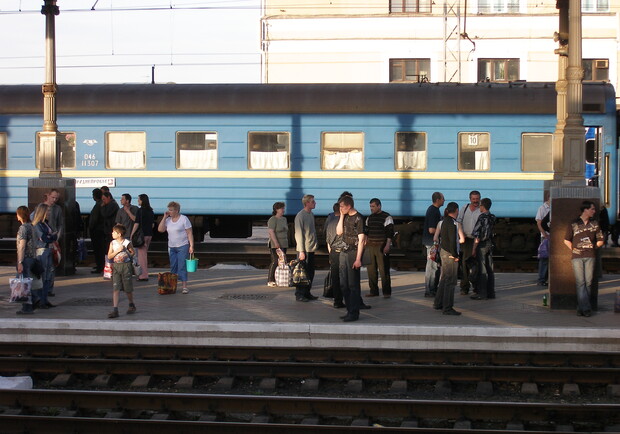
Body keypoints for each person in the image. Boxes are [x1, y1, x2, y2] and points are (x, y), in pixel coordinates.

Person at [563, 200, 604, 317]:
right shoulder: (574, 223)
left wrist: (593, 247)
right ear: (585, 210)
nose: (594, 211)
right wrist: (574, 249)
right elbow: (566, 240)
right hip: (577, 257)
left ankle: (581, 308)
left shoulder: (595, 223)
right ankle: (586, 309)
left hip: (590, 256)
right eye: (592, 209)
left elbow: (601, 240)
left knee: (588, 282)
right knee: (580, 282)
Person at [337, 195, 366, 322]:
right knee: (344, 284)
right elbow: (339, 232)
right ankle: (349, 310)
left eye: (342, 207)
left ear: (349, 206)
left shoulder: (359, 218)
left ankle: (354, 313)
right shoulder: (345, 216)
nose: (340, 209)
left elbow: (361, 240)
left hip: (353, 253)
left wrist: (358, 259)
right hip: (343, 252)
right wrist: (342, 216)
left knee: (353, 285)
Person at [158, 201, 194, 294]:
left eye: (171, 210)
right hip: (171, 247)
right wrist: (164, 217)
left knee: (182, 266)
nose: (169, 212)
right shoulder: (168, 220)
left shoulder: (184, 219)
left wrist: (191, 246)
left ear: (177, 210)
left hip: (183, 246)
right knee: (173, 266)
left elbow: (189, 233)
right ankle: (172, 286)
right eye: (168, 210)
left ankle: (184, 286)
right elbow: (160, 230)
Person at [433, 202, 462, 315]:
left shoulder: (444, 221)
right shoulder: (452, 223)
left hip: (444, 252)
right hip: (450, 254)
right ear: (456, 210)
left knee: (444, 279)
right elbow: (452, 240)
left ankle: (438, 303)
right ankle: (448, 308)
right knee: (450, 281)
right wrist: (455, 255)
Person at [365, 198, 394, 298]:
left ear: (379, 206)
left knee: (384, 270)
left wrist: (387, 245)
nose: (371, 208)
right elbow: (366, 232)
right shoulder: (369, 218)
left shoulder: (387, 217)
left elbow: (390, 232)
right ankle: (373, 291)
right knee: (371, 270)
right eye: (370, 206)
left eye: (373, 206)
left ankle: (386, 292)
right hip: (370, 246)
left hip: (381, 246)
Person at [107, 224, 137, 318]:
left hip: (126, 266)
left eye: (114, 232)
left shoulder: (127, 242)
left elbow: (133, 252)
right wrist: (118, 251)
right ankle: (115, 309)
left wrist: (126, 253)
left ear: (119, 234)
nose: (112, 233)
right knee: (116, 288)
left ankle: (131, 304)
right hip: (116, 266)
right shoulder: (112, 243)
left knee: (127, 288)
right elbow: (109, 256)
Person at [15, 206, 41, 315]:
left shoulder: (23, 228)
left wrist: (20, 262)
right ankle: (35, 298)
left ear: (20, 215)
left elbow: (22, 246)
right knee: (27, 282)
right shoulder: (32, 226)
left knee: (23, 284)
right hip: (32, 258)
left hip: (25, 259)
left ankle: (28, 307)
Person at [32, 203, 57, 310]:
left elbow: (53, 236)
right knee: (43, 276)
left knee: (48, 276)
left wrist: (51, 236)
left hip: (47, 250)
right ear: (43, 212)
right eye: (48, 211)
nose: (50, 213)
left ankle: (44, 299)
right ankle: (40, 300)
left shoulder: (45, 224)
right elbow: (45, 238)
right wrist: (51, 236)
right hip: (41, 251)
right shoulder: (37, 225)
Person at [470, 198, 496, 300]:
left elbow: (477, 235)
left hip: (482, 245)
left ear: (483, 206)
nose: (479, 207)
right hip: (490, 244)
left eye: (480, 205)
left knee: (482, 269)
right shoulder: (493, 217)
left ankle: (482, 293)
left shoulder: (481, 218)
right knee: (490, 269)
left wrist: (473, 249)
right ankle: (491, 293)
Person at [294, 194, 319, 301]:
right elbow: (298, 234)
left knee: (310, 272)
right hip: (304, 249)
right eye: (313, 201)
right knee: (302, 273)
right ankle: (300, 294)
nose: (315, 203)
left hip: (311, 248)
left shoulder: (311, 214)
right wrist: (301, 251)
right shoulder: (301, 216)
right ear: (307, 203)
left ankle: (307, 292)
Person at [457, 190, 481, 295]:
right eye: (474, 199)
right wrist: (461, 235)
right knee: (464, 263)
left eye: (477, 199)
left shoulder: (481, 209)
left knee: (477, 265)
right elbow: (458, 222)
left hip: (477, 240)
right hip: (466, 240)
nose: (475, 201)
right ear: (470, 199)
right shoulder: (465, 208)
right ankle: (464, 287)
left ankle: (476, 287)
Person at [423, 192, 445, 297]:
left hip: (432, 242)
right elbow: (431, 230)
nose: (444, 200)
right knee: (432, 267)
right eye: (443, 199)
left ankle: (431, 289)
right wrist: (443, 231)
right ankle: (430, 290)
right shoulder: (433, 211)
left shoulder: (433, 210)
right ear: (438, 200)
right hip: (432, 243)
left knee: (433, 266)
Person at [324, 203, 345, 308]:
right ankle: (346, 299)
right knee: (344, 277)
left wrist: (330, 254)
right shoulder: (343, 223)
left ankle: (337, 301)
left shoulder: (330, 223)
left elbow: (328, 241)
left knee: (335, 278)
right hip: (342, 253)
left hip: (333, 252)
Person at [130, 194, 155, 281]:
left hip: (142, 236)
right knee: (144, 254)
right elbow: (152, 224)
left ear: (142, 200)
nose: (138, 201)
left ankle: (143, 275)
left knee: (142, 256)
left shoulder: (140, 211)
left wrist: (132, 234)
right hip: (149, 235)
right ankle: (144, 274)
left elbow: (136, 223)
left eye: (139, 199)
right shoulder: (151, 211)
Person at [267, 202, 288, 287]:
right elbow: (271, 231)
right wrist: (276, 243)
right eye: (282, 208)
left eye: (283, 208)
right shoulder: (273, 219)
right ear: (276, 209)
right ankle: (270, 280)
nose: (283, 210)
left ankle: (279, 279)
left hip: (284, 243)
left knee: (282, 262)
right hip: (275, 244)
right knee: (275, 261)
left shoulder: (284, 219)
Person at [89, 188, 106, 274]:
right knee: (100, 249)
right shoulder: (100, 205)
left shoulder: (98, 205)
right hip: (100, 230)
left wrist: (91, 228)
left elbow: (94, 219)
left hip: (97, 231)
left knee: (98, 249)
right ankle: (100, 265)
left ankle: (100, 266)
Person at [535, 191, 551, 286]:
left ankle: (545, 278)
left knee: (548, 258)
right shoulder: (542, 208)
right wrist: (544, 234)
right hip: (545, 236)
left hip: (551, 235)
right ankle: (541, 279)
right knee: (544, 258)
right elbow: (539, 223)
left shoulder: (553, 208)